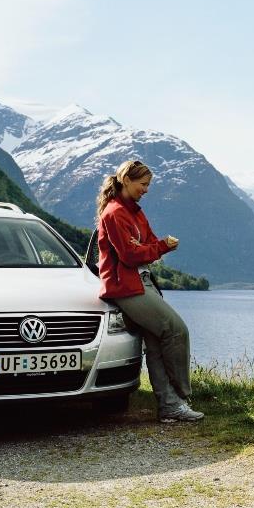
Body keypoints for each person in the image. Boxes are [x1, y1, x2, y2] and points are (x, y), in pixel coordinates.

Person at [95, 160, 203, 423]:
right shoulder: (114, 213)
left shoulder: (135, 212)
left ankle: (169, 407)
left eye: (148, 185)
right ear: (126, 181)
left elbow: (148, 244)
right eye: (143, 184)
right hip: (127, 287)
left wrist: (151, 246)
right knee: (176, 329)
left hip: (142, 282)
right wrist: (160, 247)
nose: (146, 190)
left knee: (155, 343)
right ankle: (181, 393)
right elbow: (131, 256)